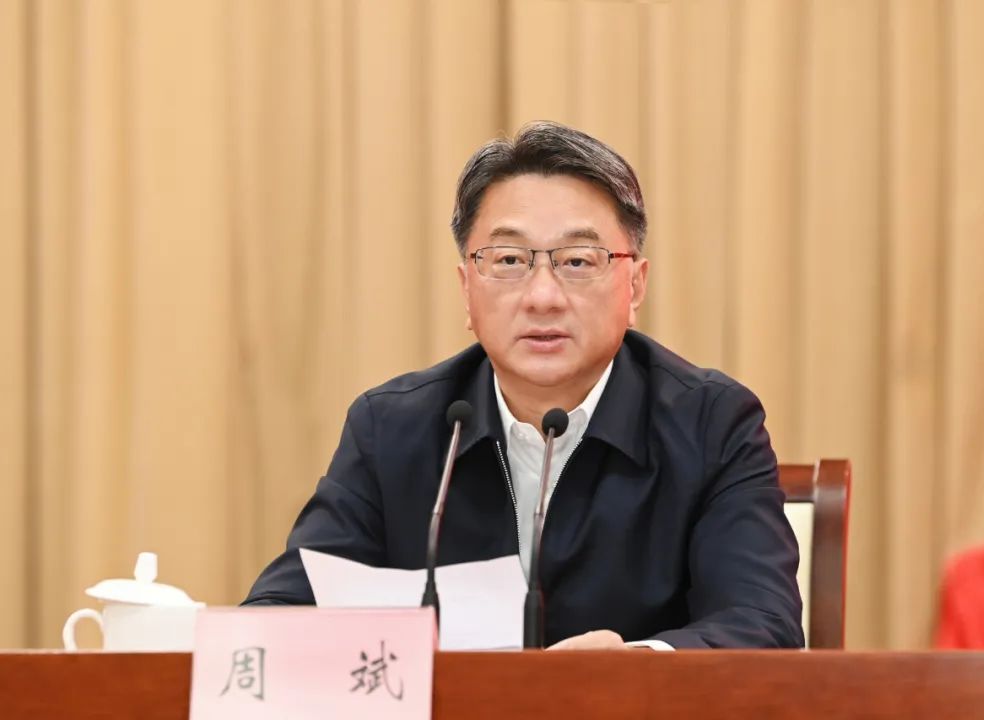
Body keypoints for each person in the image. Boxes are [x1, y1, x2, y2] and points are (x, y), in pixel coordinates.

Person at [242, 121, 804, 650]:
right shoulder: (391, 428)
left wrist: (634, 665)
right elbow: (283, 612)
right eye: (509, 259)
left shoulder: (711, 424)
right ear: (467, 289)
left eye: (578, 261)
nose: (542, 296)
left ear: (634, 286)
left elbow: (763, 625)